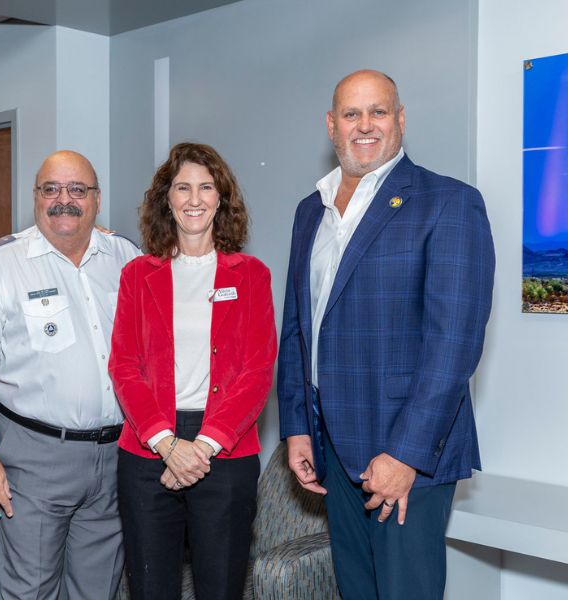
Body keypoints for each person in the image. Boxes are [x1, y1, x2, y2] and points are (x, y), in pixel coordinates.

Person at [277, 70, 495, 599]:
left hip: (405, 453)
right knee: (357, 591)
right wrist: (297, 426)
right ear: (332, 126)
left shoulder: (448, 203)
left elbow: (454, 346)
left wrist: (407, 456)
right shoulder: (312, 211)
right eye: (352, 114)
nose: (365, 125)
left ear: (400, 120)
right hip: (332, 447)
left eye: (378, 111)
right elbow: (297, 329)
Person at [0, 149, 139, 599]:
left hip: (115, 455)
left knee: (98, 588)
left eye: (77, 190)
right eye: (51, 189)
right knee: (29, 590)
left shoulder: (125, 256)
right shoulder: (0, 264)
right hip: (33, 459)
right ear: (35, 197)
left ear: (96, 198)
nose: (63, 199)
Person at [109, 142, 277, 600]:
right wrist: (167, 444)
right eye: (183, 187)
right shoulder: (137, 275)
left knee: (221, 587)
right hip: (148, 449)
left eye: (206, 187)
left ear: (222, 198)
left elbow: (258, 371)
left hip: (225, 446)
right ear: (167, 199)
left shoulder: (251, 275)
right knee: (150, 587)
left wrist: (199, 449)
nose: (194, 198)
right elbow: (124, 366)